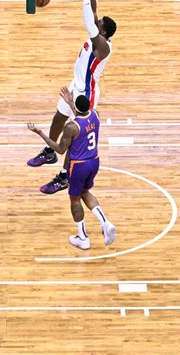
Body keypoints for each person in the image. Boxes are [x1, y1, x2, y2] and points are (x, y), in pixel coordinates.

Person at [27, 0, 117, 195]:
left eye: (100, 24)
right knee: (58, 117)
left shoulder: (102, 47)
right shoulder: (99, 34)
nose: (97, 21)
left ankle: (64, 176)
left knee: (73, 137)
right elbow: (93, 12)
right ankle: (49, 151)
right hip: (75, 85)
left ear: (103, 32)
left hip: (86, 93)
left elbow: (89, 20)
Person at [28, 88, 117, 250]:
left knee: (75, 199)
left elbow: (60, 149)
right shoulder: (95, 114)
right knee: (85, 192)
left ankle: (82, 238)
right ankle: (105, 222)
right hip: (94, 161)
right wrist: (70, 102)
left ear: (76, 107)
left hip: (79, 166)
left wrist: (41, 134)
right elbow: (82, 115)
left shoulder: (71, 127)